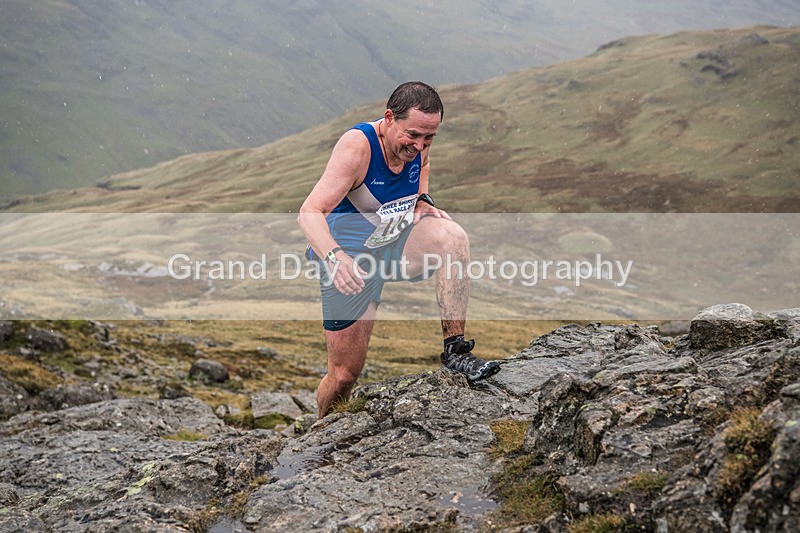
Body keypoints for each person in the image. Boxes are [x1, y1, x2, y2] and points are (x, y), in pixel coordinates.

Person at [297, 81, 500, 418]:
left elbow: (424, 167)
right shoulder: (357, 146)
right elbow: (309, 213)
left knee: (454, 238)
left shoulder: (418, 144)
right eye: (414, 135)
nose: (419, 145)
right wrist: (335, 258)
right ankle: (320, 435)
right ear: (389, 118)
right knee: (345, 375)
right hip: (351, 257)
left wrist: (421, 200)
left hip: (395, 241)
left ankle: (455, 349)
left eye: (429, 138)